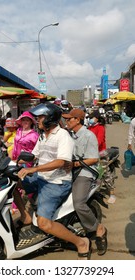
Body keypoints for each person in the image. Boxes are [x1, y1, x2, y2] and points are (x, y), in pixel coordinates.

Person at [15, 102, 92, 260]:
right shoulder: (43, 136)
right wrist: (16, 162)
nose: (37, 121)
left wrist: (33, 169)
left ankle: (81, 242)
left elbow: (61, 162)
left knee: (44, 223)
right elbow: (34, 155)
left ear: (50, 118)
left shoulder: (63, 136)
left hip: (56, 183)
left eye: (40, 117)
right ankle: (26, 216)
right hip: (41, 177)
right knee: (12, 183)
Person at [62, 108, 107, 256]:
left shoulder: (89, 135)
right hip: (71, 170)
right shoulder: (70, 135)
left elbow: (93, 158)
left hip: (86, 171)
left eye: (69, 119)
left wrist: (74, 164)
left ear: (77, 120)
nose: (66, 121)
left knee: (79, 203)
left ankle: (98, 228)